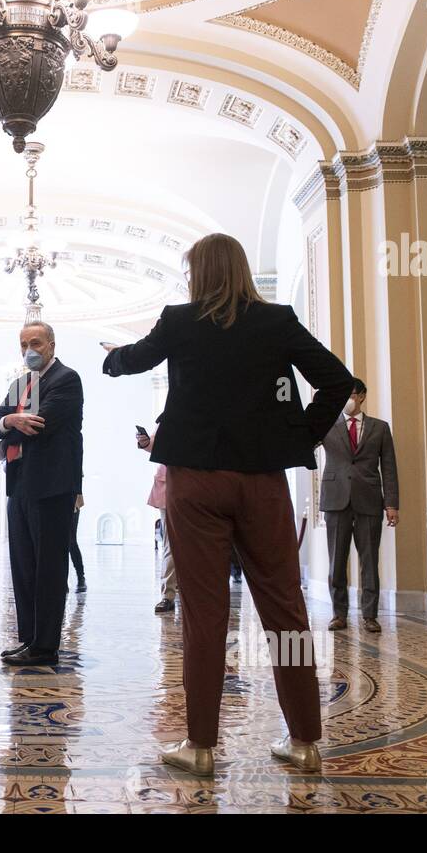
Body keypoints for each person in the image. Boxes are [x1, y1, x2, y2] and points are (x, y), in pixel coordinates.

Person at [103, 232, 352, 776]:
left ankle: (201, 746)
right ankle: (305, 741)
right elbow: (338, 381)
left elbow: (134, 360)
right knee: (284, 608)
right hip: (262, 481)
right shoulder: (277, 321)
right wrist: (300, 437)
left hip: (194, 480)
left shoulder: (179, 320)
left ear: (201, 274)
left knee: (204, 611)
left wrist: (112, 359)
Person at [0, 321, 84, 667]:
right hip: (20, 484)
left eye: (37, 343)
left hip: (53, 486)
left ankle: (46, 646)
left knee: (48, 568)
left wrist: (10, 426)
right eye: (25, 343)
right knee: (24, 565)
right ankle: (28, 639)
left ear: (52, 345)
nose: (30, 349)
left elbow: (39, 424)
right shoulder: (20, 384)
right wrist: (8, 423)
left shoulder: (66, 380)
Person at [319, 378, 399, 633]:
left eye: (351, 395)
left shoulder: (380, 428)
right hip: (336, 499)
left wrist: (392, 504)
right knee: (337, 561)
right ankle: (338, 614)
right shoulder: (327, 426)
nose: (347, 400)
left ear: (362, 396)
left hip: (369, 499)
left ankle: (370, 615)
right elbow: (304, 444)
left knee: (369, 559)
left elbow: (389, 468)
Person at [140, 430, 178, 614]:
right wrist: (145, 442)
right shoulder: (170, 414)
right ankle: (168, 596)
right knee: (170, 545)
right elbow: (154, 444)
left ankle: (191, 594)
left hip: (199, 485)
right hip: (169, 485)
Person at [69, 493, 86, 594]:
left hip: (72, 499)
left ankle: (81, 577)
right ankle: (62, 580)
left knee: (71, 541)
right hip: (55, 499)